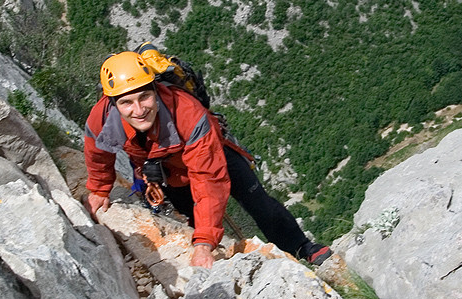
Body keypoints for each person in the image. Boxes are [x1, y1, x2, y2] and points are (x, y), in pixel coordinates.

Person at [83, 50, 334, 268]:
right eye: (126, 102)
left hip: (214, 155)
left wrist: (204, 243)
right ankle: (217, 250)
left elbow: (208, 179)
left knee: (260, 204)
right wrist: (98, 188)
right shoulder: (101, 118)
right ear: (112, 102)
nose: (138, 110)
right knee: (193, 219)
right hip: (170, 175)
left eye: (144, 97)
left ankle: (303, 248)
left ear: (156, 90)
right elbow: (98, 153)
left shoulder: (187, 113)